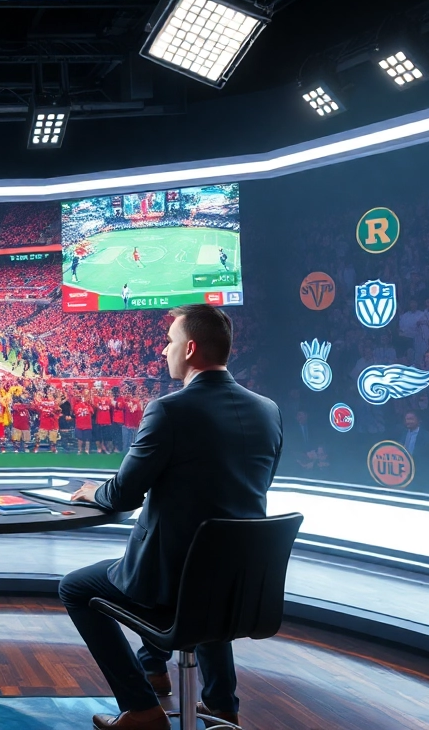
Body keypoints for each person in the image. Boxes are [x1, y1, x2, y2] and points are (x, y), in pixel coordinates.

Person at [58, 304, 282, 730]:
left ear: (191, 348)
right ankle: (220, 705)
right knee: (210, 573)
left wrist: (93, 491)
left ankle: (141, 708)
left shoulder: (168, 410)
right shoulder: (268, 410)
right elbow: (257, 486)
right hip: (241, 584)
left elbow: (123, 494)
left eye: (170, 342)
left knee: (74, 587)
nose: (164, 351)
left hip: (176, 583)